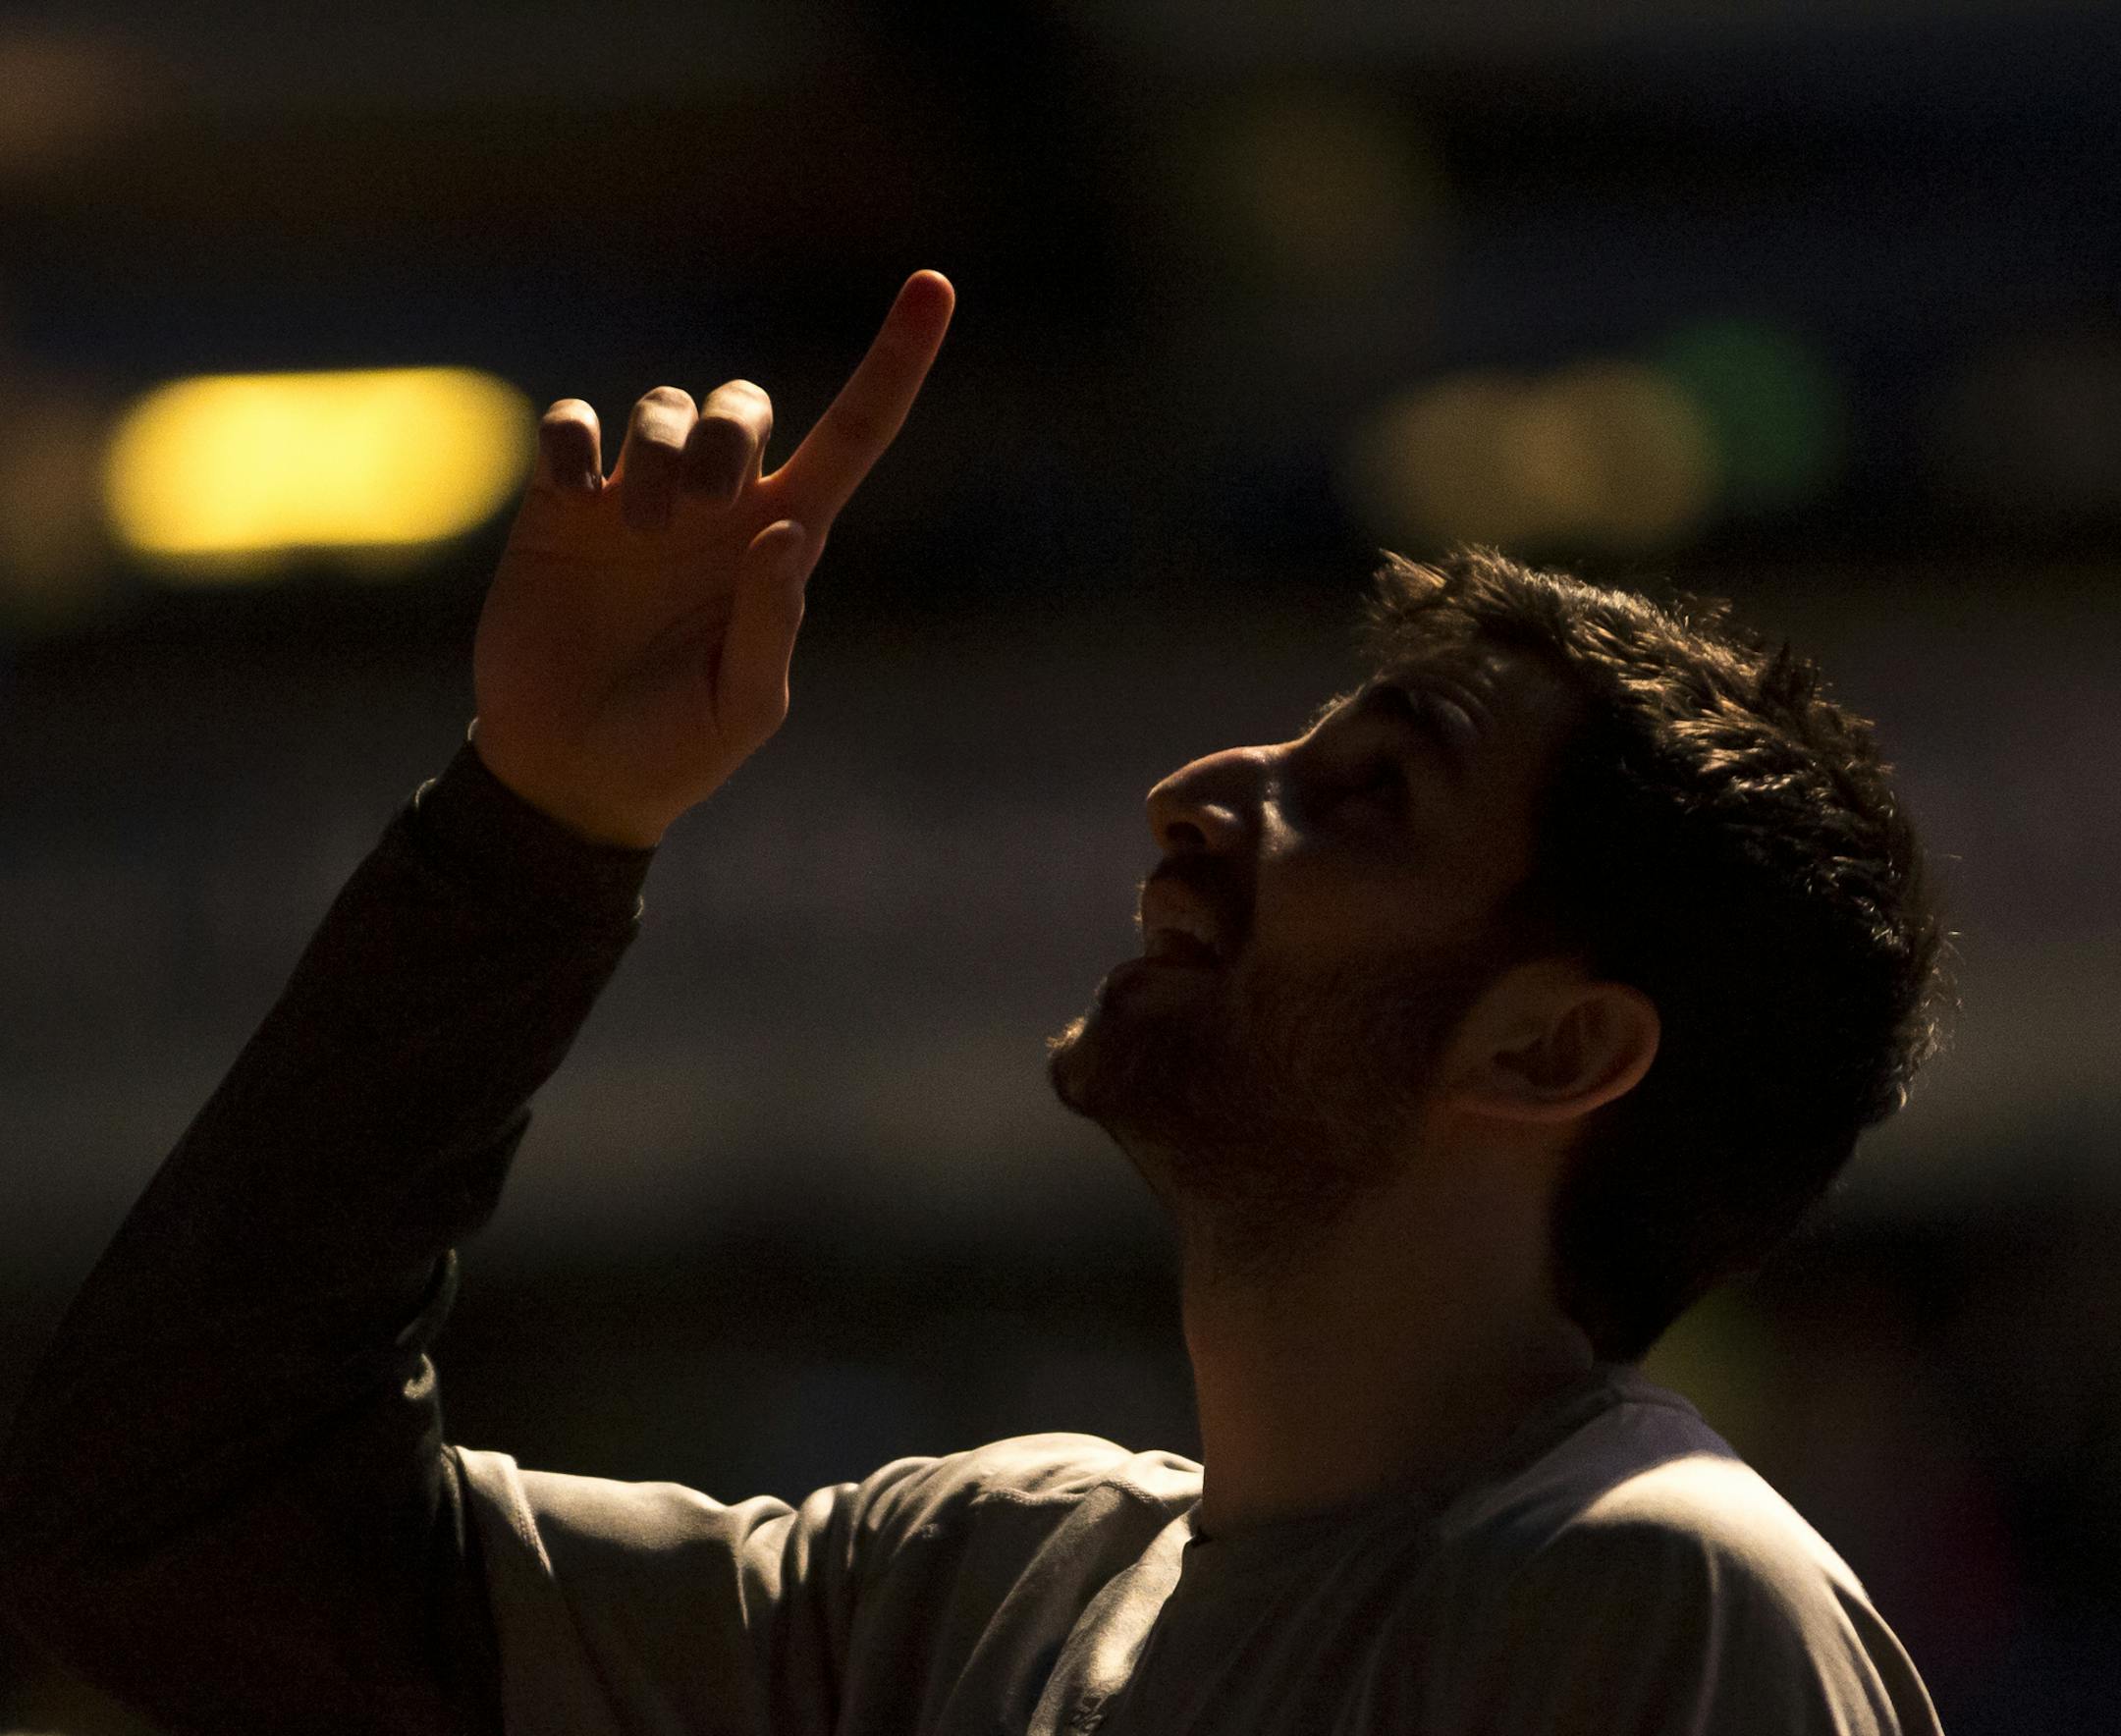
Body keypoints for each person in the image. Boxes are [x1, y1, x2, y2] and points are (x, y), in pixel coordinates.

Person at [0, 268, 1950, 1735]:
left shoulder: (1650, 1596)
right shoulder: (962, 1582)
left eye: (1366, 793)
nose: (1205, 788)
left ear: (1552, 1045)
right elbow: (177, 1523)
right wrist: (541, 816)